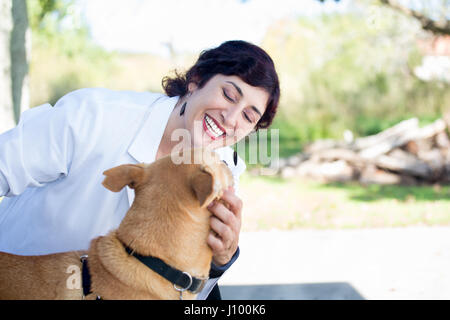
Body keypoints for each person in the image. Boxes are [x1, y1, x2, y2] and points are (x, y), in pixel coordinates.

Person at [0, 40, 280, 299]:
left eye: (247, 116)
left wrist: (221, 260)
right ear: (196, 81)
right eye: (229, 94)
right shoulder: (95, 115)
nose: (231, 118)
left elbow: (187, 292)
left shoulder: (222, 174)